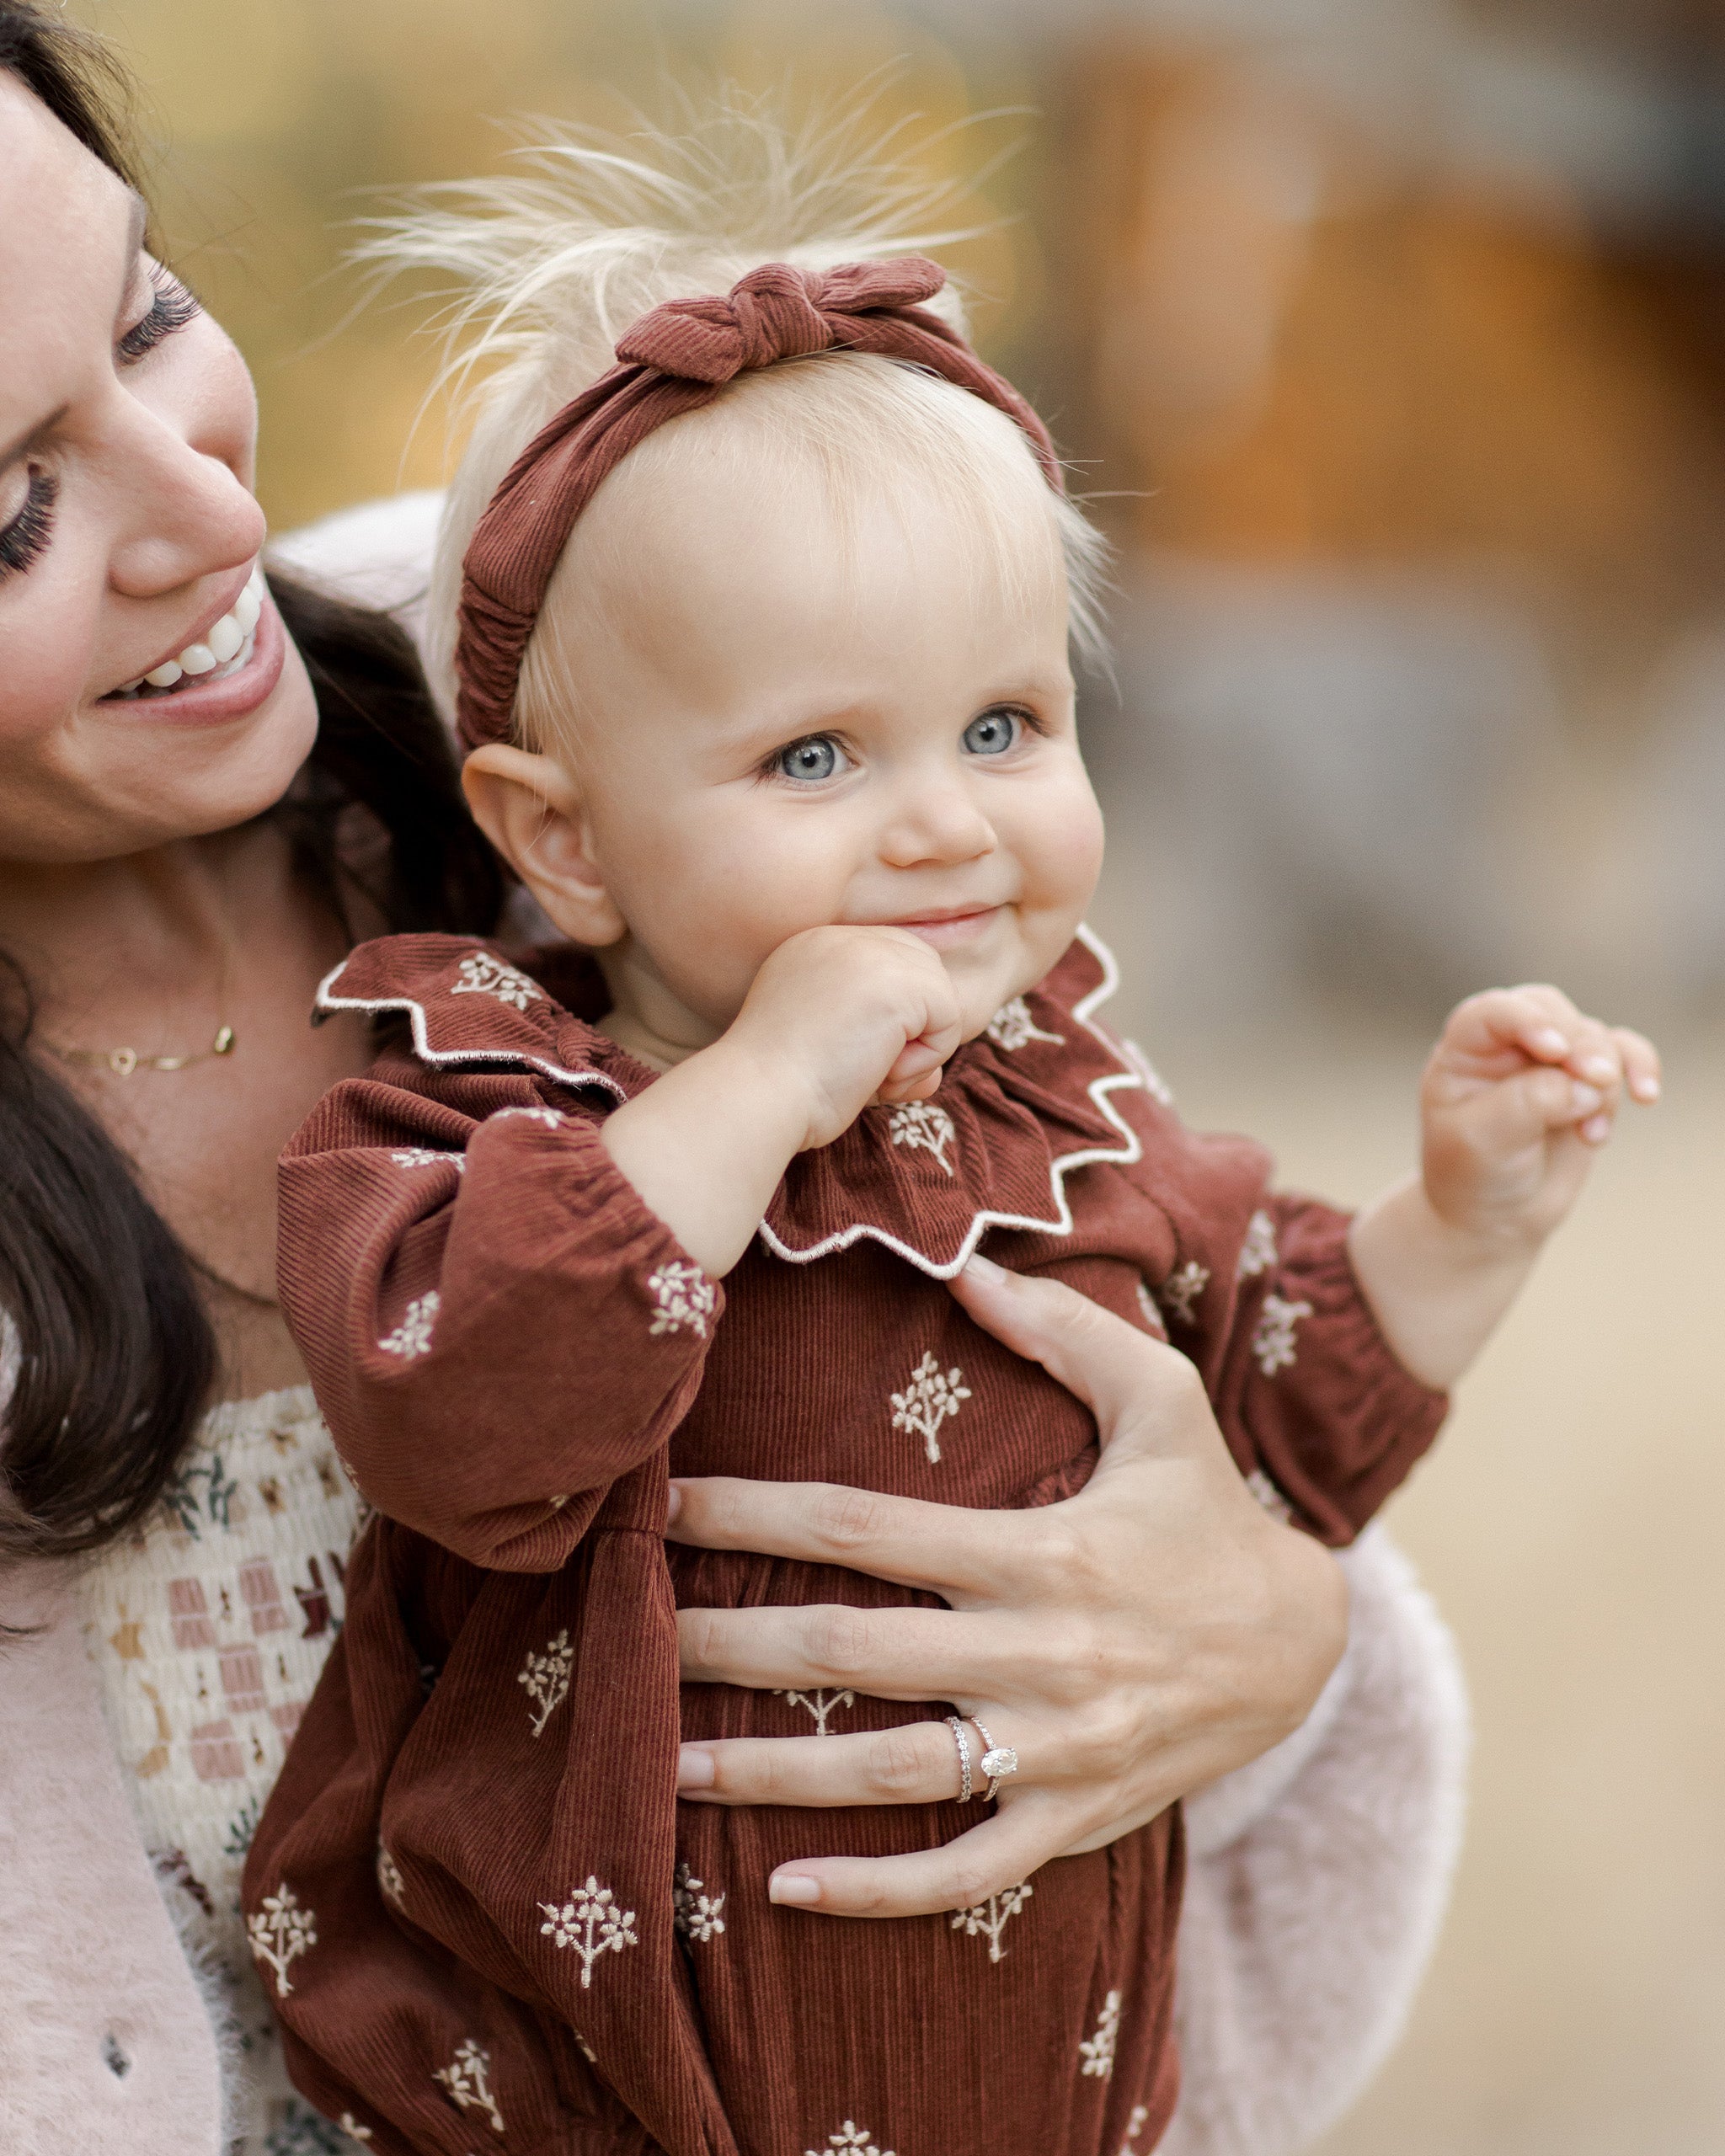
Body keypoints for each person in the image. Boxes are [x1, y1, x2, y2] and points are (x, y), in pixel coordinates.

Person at [0, 18, 1375, 2150]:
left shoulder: (649, 664)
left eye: (149, 314)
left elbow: (1178, 1386)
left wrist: (1267, 1623)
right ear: (539, 823)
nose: (205, 507)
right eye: (13, 508)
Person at [239, 111, 1658, 2156]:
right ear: (564, 835)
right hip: (600, 2083)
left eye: (1002, 724)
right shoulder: (493, 1111)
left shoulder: (1060, 1101)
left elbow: (1296, 1403)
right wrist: (761, 1084)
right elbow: (471, 1413)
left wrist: (1464, 1218)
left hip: (1048, 2082)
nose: (941, 820)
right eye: (815, 754)